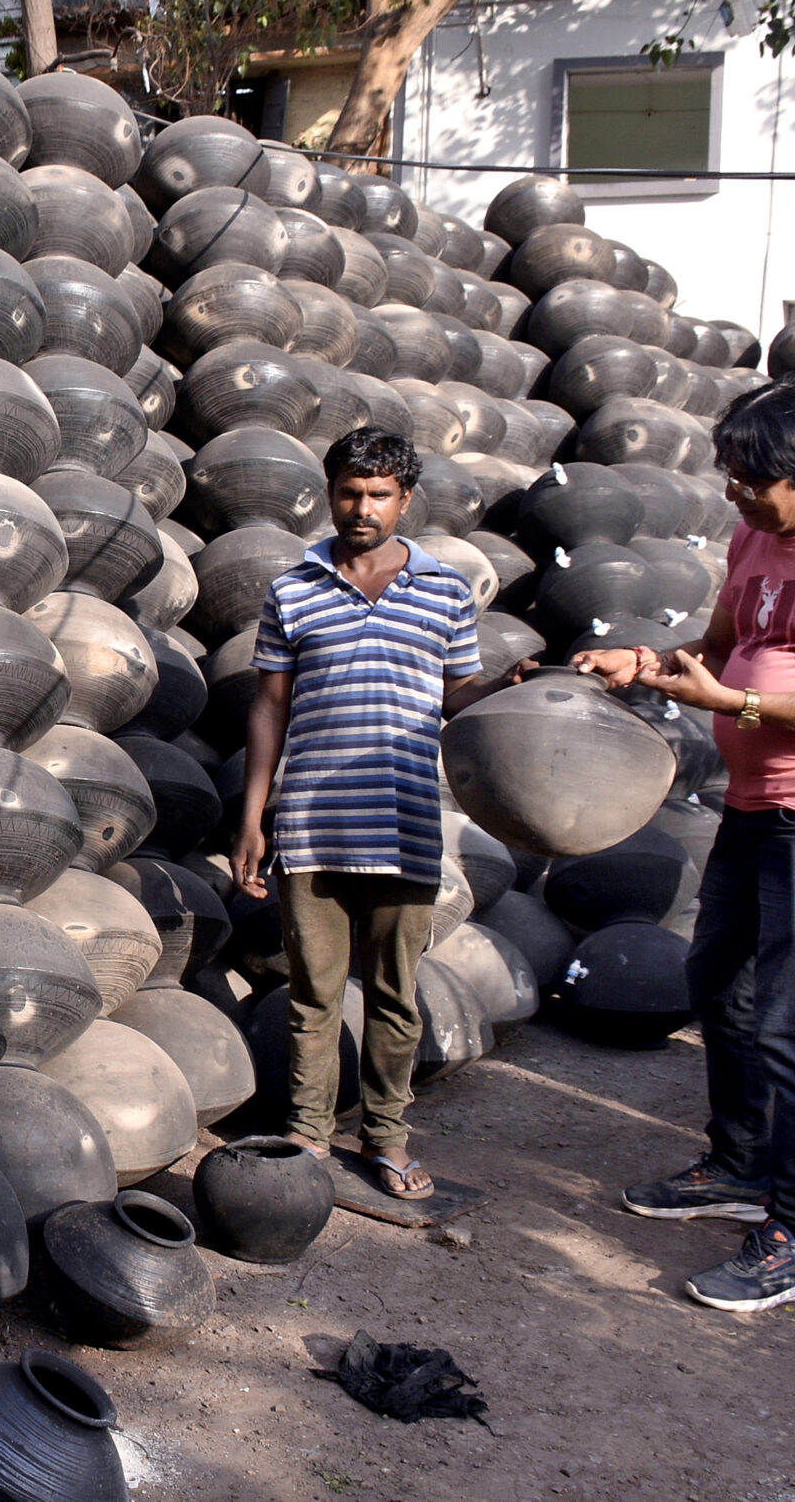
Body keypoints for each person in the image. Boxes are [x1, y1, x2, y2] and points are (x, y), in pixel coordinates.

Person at [581, 375, 795, 1313]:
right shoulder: (755, 537)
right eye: (730, 476)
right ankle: (738, 1166)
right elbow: (718, 647)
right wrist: (649, 664)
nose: (735, 493)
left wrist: (736, 705)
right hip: (755, 797)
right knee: (717, 982)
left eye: (750, 478)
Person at [230, 427, 535, 1200]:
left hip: (404, 821)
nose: (361, 508)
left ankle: (387, 1136)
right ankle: (306, 1132)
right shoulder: (293, 589)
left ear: (405, 500)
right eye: (348, 492)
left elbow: (455, 694)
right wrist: (254, 816)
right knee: (313, 994)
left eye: (378, 495)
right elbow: (270, 707)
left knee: (396, 992)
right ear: (330, 492)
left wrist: (504, 685)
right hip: (313, 819)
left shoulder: (443, 591)